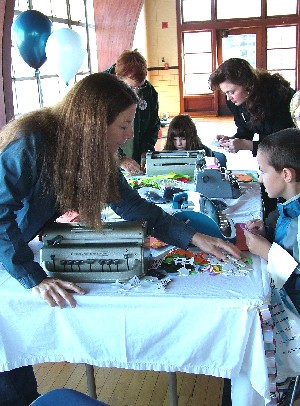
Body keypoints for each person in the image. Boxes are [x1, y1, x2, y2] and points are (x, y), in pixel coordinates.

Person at [0, 72, 241, 406]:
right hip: (8, 250)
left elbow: (132, 205)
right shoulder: (32, 143)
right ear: (94, 123)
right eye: (124, 125)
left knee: (13, 364)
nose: (130, 135)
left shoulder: (90, 149)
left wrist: (194, 237)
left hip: (13, 246)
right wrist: (34, 278)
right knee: (6, 359)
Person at [243, 129, 300, 406]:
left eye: (263, 171)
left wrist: (267, 252)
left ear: (286, 175)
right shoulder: (288, 207)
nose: (259, 178)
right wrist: (267, 233)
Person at [209, 58, 295, 216]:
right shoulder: (236, 101)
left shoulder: (276, 97)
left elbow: (281, 144)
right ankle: (269, 218)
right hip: (269, 152)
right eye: (225, 93)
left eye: (232, 91)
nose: (229, 98)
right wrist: (233, 139)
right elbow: (245, 128)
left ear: (248, 85)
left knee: (283, 194)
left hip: (288, 155)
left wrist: (246, 145)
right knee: (266, 187)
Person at [104, 49, 161, 175]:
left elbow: (154, 125)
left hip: (134, 157)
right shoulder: (102, 90)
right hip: (107, 160)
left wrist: (146, 150)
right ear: (118, 77)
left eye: (139, 87)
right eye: (131, 87)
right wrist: (120, 158)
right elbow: (99, 134)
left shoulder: (149, 92)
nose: (136, 93)